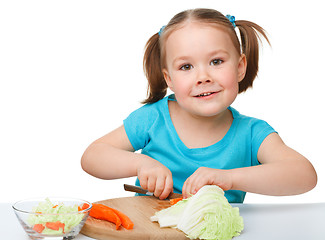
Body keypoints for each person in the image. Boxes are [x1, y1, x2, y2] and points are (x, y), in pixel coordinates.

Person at [81, 8, 317, 203]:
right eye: (186, 67)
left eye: (216, 61)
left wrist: (231, 179)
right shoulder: (153, 119)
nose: (203, 76)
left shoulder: (252, 133)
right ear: (169, 79)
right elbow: (92, 156)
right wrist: (142, 163)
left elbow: (304, 175)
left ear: (240, 67)